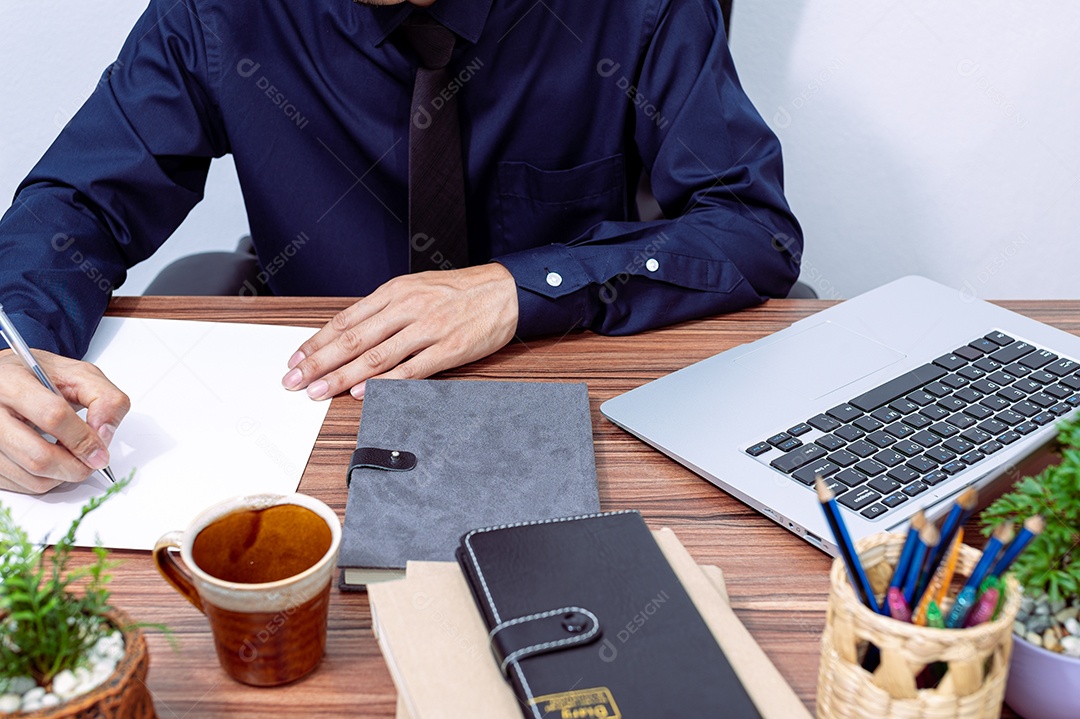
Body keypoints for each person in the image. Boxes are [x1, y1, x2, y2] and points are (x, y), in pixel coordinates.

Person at [0, 0, 802, 494]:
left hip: (569, 408)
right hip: (310, 423)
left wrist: (522, 288)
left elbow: (750, 223)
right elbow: (76, 203)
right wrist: (15, 356)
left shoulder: (634, 9)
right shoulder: (223, 10)